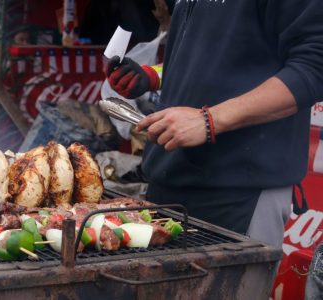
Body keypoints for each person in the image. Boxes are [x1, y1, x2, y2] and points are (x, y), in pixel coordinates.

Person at [105, 0, 323, 250]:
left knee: (232, 290)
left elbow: (314, 66)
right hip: (169, 181)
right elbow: (218, 59)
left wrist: (209, 120)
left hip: (240, 191)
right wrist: (153, 77)